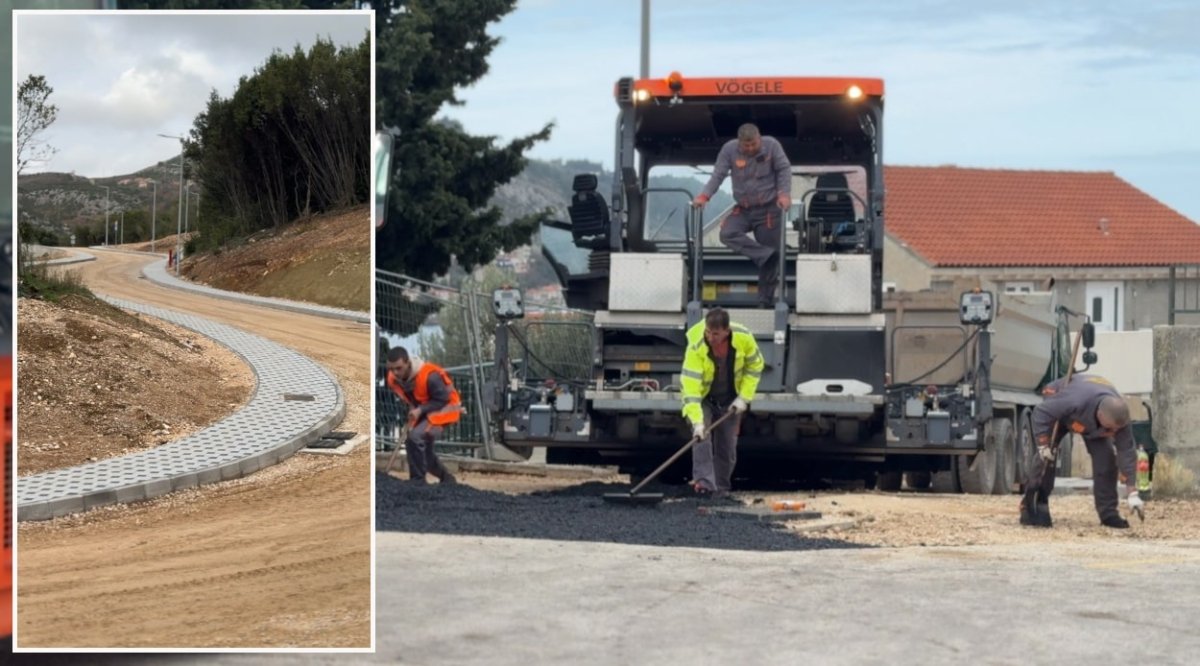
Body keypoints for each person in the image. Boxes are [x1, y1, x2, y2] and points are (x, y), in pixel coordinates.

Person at [1021, 374, 1143, 529]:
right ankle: (1034, 505)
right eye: (1110, 429)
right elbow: (1041, 413)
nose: (1113, 434)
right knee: (1046, 459)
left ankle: (1108, 514)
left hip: (1088, 423)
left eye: (1116, 431)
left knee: (1106, 460)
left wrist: (1132, 492)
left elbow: (1127, 452)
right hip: (1060, 408)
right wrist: (1043, 445)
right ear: (1100, 416)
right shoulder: (1072, 400)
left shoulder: (1119, 417)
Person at [692, 123, 793, 307]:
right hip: (744, 209)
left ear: (759, 138)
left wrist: (784, 194)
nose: (750, 148)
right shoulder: (728, 150)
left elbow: (784, 169)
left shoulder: (772, 146)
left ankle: (764, 301)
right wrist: (704, 195)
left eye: (753, 144)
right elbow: (718, 175)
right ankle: (765, 254)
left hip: (769, 210)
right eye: (746, 145)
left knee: (768, 264)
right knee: (727, 233)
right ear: (739, 143)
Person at [679, 307, 765, 497]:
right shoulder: (696, 345)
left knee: (727, 444)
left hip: (730, 398)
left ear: (727, 331)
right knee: (702, 438)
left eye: (716, 334)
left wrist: (744, 397)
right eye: (708, 332)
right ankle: (704, 485)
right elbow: (690, 387)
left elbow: (755, 366)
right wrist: (697, 422)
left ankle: (721, 488)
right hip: (704, 398)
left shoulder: (743, 338)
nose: (711, 337)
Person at [385, 346, 462, 485]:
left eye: (398, 368)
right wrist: (415, 410)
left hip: (444, 410)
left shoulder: (430, 376)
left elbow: (442, 399)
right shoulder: (395, 379)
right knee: (416, 446)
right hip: (425, 410)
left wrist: (420, 410)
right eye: (391, 369)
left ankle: (418, 481)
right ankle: (447, 479)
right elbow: (412, 398)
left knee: (416, 437)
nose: (395, 372)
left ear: (408, 363)